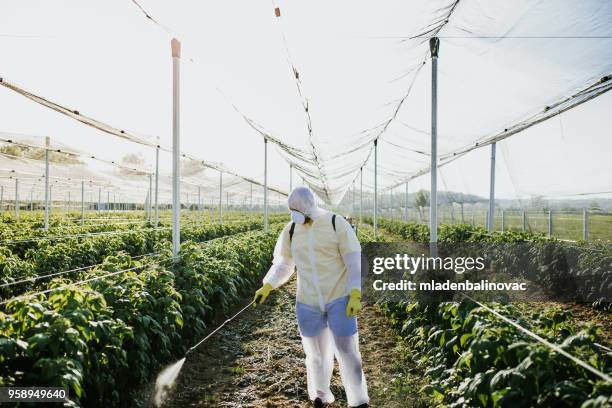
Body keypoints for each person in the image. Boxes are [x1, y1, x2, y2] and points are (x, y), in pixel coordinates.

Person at [253, 186, 369, 408]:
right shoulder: (291, 231)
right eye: (290, 210)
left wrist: (355, 292)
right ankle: (320, 396)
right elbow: (284, 264)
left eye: (295, 209)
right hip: (307, 301)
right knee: (315, 355)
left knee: (347, 351)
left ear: (308, 206)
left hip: (339, 297)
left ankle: (359, 400)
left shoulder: (336, 224)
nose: (293, 213)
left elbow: (354, 260)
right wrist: (268, 285)